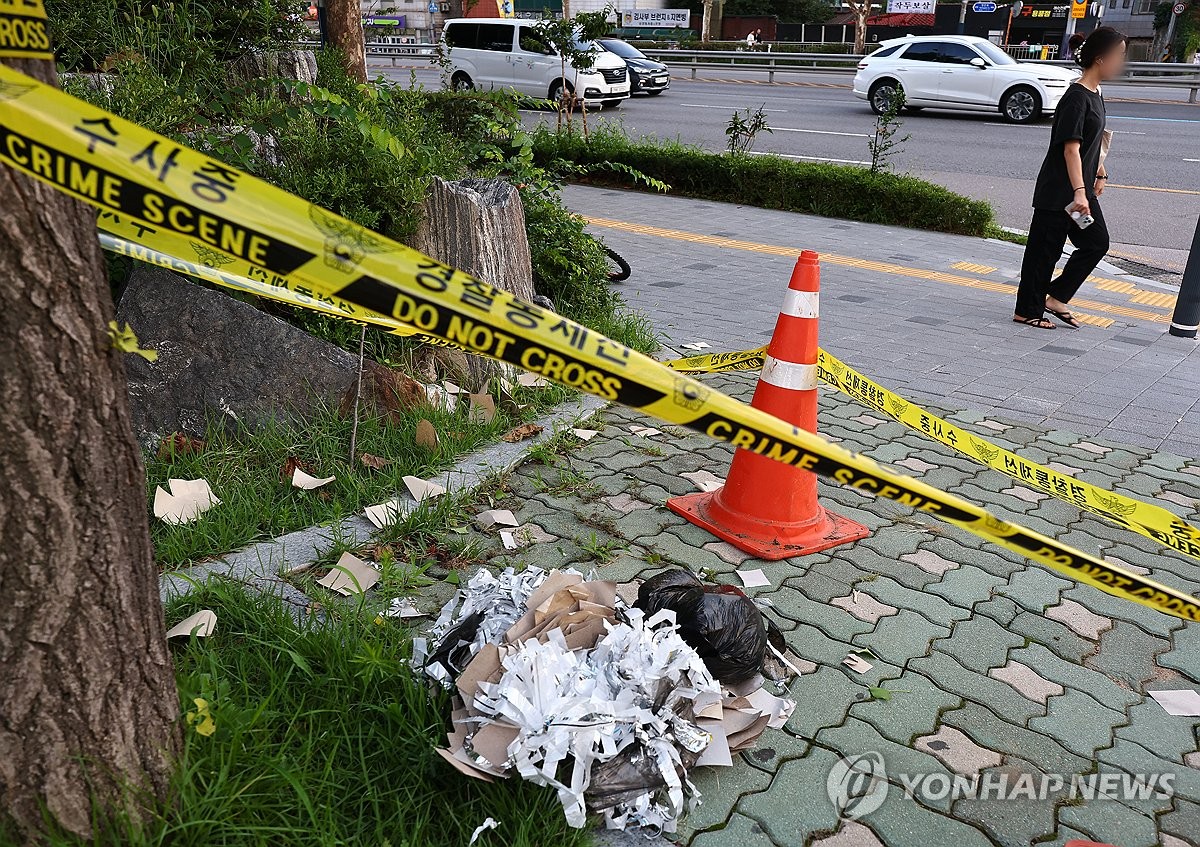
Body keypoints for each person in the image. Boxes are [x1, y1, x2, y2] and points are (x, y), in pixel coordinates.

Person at [1012, 27, 1127, 330]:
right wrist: (1079, 192)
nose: (1122, 62)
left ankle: (1057, 296)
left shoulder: (1096, 94)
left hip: (1081, 191)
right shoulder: (1076, 98)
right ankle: (1027, 310)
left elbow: (1094, 142)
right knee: (1043, 253)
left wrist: (1100, 173)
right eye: (1120, 55)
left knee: (1096, 242)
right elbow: (1071, 149)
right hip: (1061, 193)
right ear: (1101, 59)